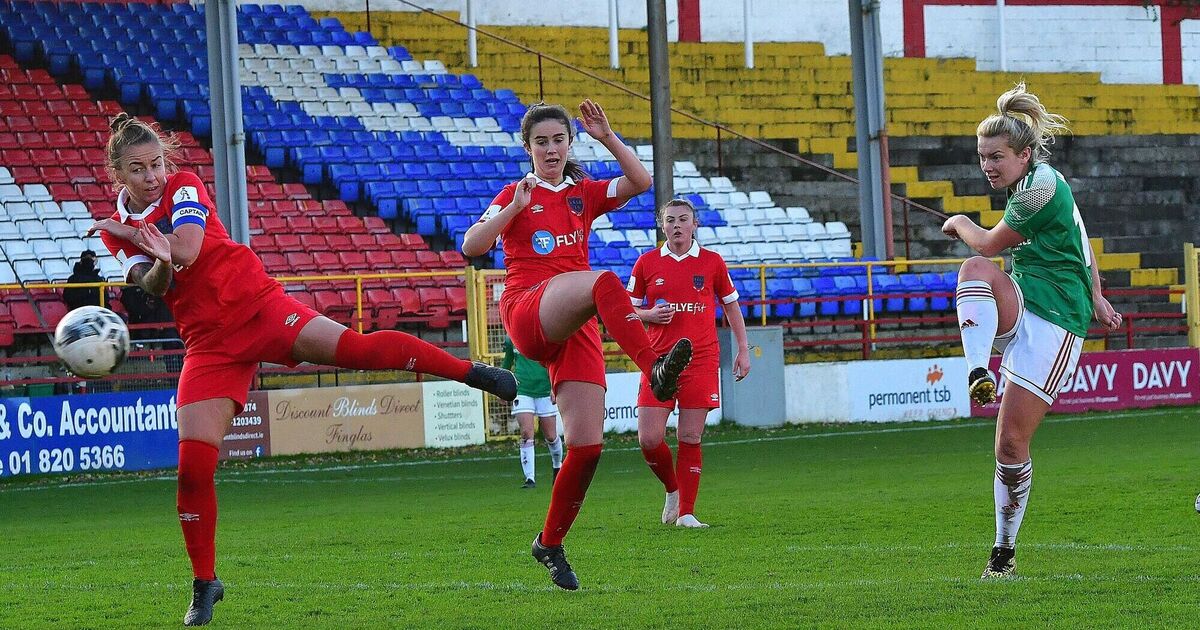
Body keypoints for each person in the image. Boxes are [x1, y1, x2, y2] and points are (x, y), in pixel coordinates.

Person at [88, 113, 517, 626]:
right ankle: (205, 583)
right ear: (119, 175)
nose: (152, 176)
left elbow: (188, 249)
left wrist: (139, 239)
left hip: (259, 306)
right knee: (192, 469)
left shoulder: (183, 184)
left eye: (156, 163)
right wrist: (142, 248)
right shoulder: (116, 227)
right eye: (138, 170)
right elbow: (156, 284)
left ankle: (471, 373)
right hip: (208, 342)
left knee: (357, 350)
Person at [461, 100, 693, 591]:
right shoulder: (516, 192)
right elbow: (472, 246)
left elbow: (641, 183)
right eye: (541, 142)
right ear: (527, 148)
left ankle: (549, 543)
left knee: (587, 448)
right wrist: (514, 210)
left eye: (558, 140)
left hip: (576, 323)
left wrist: (609, 136)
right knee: (603, 281)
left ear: (570, 145)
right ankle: (655, 368)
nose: (550, 149)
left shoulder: (581, 193)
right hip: (528, 308)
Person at [941, 83, 1121, 579]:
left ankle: (1003, 551)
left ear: (1023, 154)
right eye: (981, 158)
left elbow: (991, 242)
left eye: (996, 157)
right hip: (1025, 297)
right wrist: (1101, 293)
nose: (988, 167)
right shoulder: (1035, 183)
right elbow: (1082, 238)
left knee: (1011, 444)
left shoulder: (1041, 188)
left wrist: (958, 221)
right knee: (974, 273)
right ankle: (980, 369)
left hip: (1057, 319)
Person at [628, 198, 750, 529]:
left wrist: (743, 348)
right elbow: (626, 312)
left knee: (690, 436)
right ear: (661, 224)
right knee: (649, 440)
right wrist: (648, 314)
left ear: (695, 224)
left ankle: (686, 513)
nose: (677, 225)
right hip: (658, 362)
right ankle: (672, 489)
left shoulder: (711, 262)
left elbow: (731, 306)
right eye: (671, 220)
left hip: (701, 359)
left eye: (684, 219)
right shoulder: (646, 263)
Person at [501, 336, 563, 488]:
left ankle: (557, 466)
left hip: (544, 390)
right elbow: (507, 363)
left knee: (551, 436)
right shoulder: (511, 339)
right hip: (522, 390)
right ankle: (530, 478)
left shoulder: (544, 335)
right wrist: (500, 388)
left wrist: (554, 386)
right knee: (526, 433)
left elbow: (554, 361)